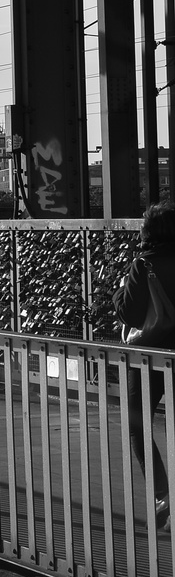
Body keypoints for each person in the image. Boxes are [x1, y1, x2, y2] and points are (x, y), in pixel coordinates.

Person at [115, 201, 175, 528]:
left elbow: (130, 315)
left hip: (149, 358)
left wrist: (119, 293)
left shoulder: (144, 265)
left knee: (138, 424)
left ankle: (162, 492)